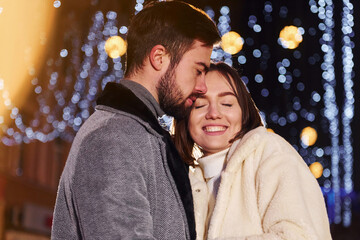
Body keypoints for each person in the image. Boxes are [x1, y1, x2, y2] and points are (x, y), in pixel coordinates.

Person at [51, 1, 220, 239]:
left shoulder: (141, 136)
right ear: (159, 57)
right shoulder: (113, 139)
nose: (202, 86)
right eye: (198, 70)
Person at [174, 62, 332, 240]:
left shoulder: (270, 153)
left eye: (226, 103)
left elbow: (301, 236)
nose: (213, 113)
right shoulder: (186, 180)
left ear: (244, 112)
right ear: (186, 117)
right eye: (200, 105)